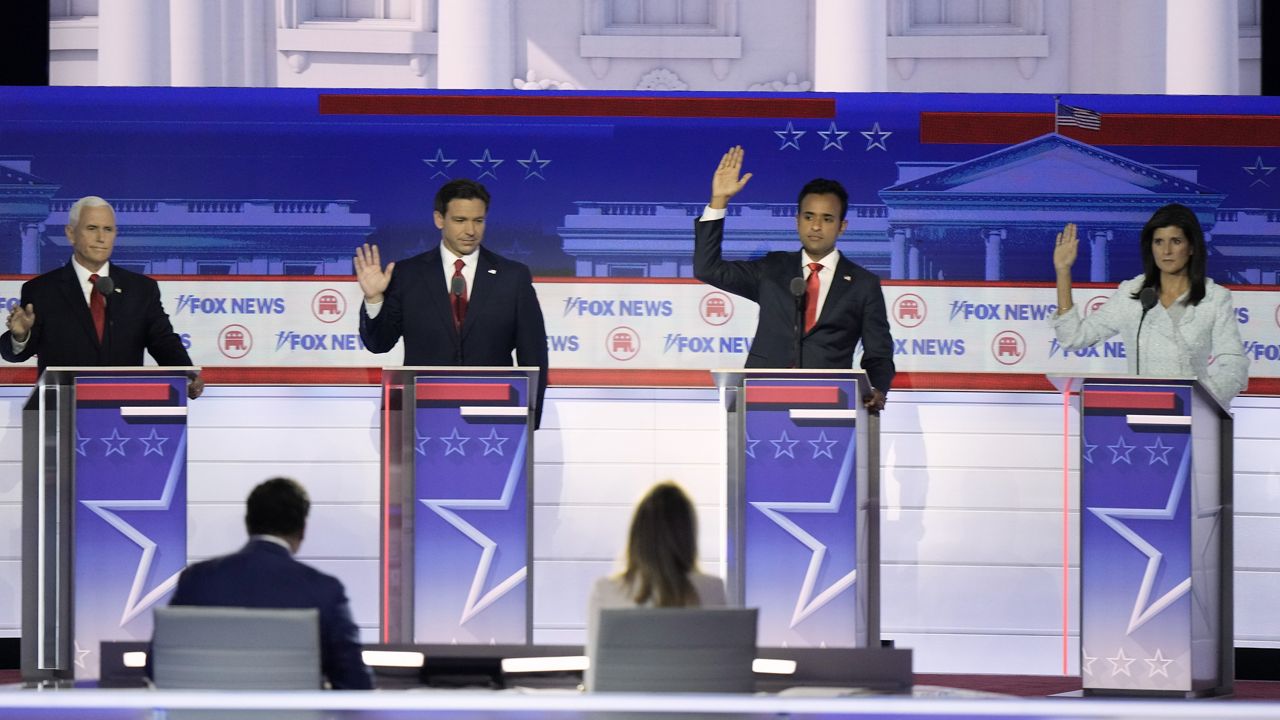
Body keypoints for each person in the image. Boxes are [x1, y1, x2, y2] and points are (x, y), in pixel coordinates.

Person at [694, 146, 894, 413]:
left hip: (831, 406)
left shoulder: (862, 284)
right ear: (797, 220)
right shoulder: (773, 268)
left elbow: (878, 354)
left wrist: (877, 388)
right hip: (762, 400)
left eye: (827, 219)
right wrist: (719, 201)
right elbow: (708, 269)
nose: (815, 226)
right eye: (808, 216)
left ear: (842, 226)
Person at [355, 179, 548, 427]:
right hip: (424, 418)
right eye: (460, 220)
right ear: (439, 219)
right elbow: (379, 344)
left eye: (478, 221)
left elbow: (534, 355)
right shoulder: (408, 275)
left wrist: (529, 421)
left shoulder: (513, 277)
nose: (470, 231)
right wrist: (374, 299)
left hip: (495, 422)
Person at [165, 477, 373, 690]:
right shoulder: (325, 591)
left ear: (248, 524)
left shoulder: (196, 580)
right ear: (302, 530)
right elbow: (355, 684)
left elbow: (158, 668)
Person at [1, 196, 203, 398]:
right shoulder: (41, 290)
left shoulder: (141, 289)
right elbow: (16, 354)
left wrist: (185, 373)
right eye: (92, 228)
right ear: (71, 234)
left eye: (108, 229)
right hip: (62, 412)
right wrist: (20, 336)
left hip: (123, 412)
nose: (101, 237)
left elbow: (163, 341)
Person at [1051, 203, 1249, 405]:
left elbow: (1235, 367)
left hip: (1193, 418)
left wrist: (1199, 401)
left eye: (1176, 241)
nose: (1167, 251)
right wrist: (1063, 272)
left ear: (1191, 247)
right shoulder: (1131, 294)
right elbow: (1073, 338)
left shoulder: (1214, 298)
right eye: (1159, 242)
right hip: (1139, 418)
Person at [586, 481, 727, 650]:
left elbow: (598, 671)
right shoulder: (712, 590)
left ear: (637, 534)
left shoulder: (605, 591)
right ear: (687, 536)